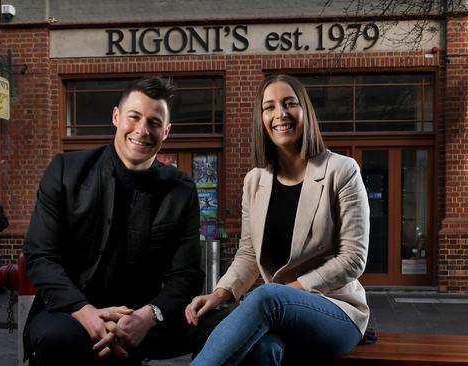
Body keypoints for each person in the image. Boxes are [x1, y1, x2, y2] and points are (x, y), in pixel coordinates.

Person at [23, 77, 213, 365]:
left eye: (154, 122)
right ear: (116, 116)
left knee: (219, 326)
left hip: (144, 316)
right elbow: (40, 256)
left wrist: (149, 316)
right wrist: (86, 312)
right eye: (134, 117)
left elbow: (186, 275)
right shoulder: (65, 171)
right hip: (70, 310)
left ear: (166, 131)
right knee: (58, 339)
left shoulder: (181, 189)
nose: (142, 130)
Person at [185, 74, 370, 365]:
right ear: (261, 119)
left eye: (289, 104)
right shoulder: (254, 181)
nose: (280, 114)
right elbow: (248, 252)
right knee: (262, 350)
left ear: (305, 111)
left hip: (337, 311)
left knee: (265, 297)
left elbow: (353, 259)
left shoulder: (342, 171)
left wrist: (286, 292)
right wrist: (219, 294)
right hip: (278, 313)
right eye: (269, 107)